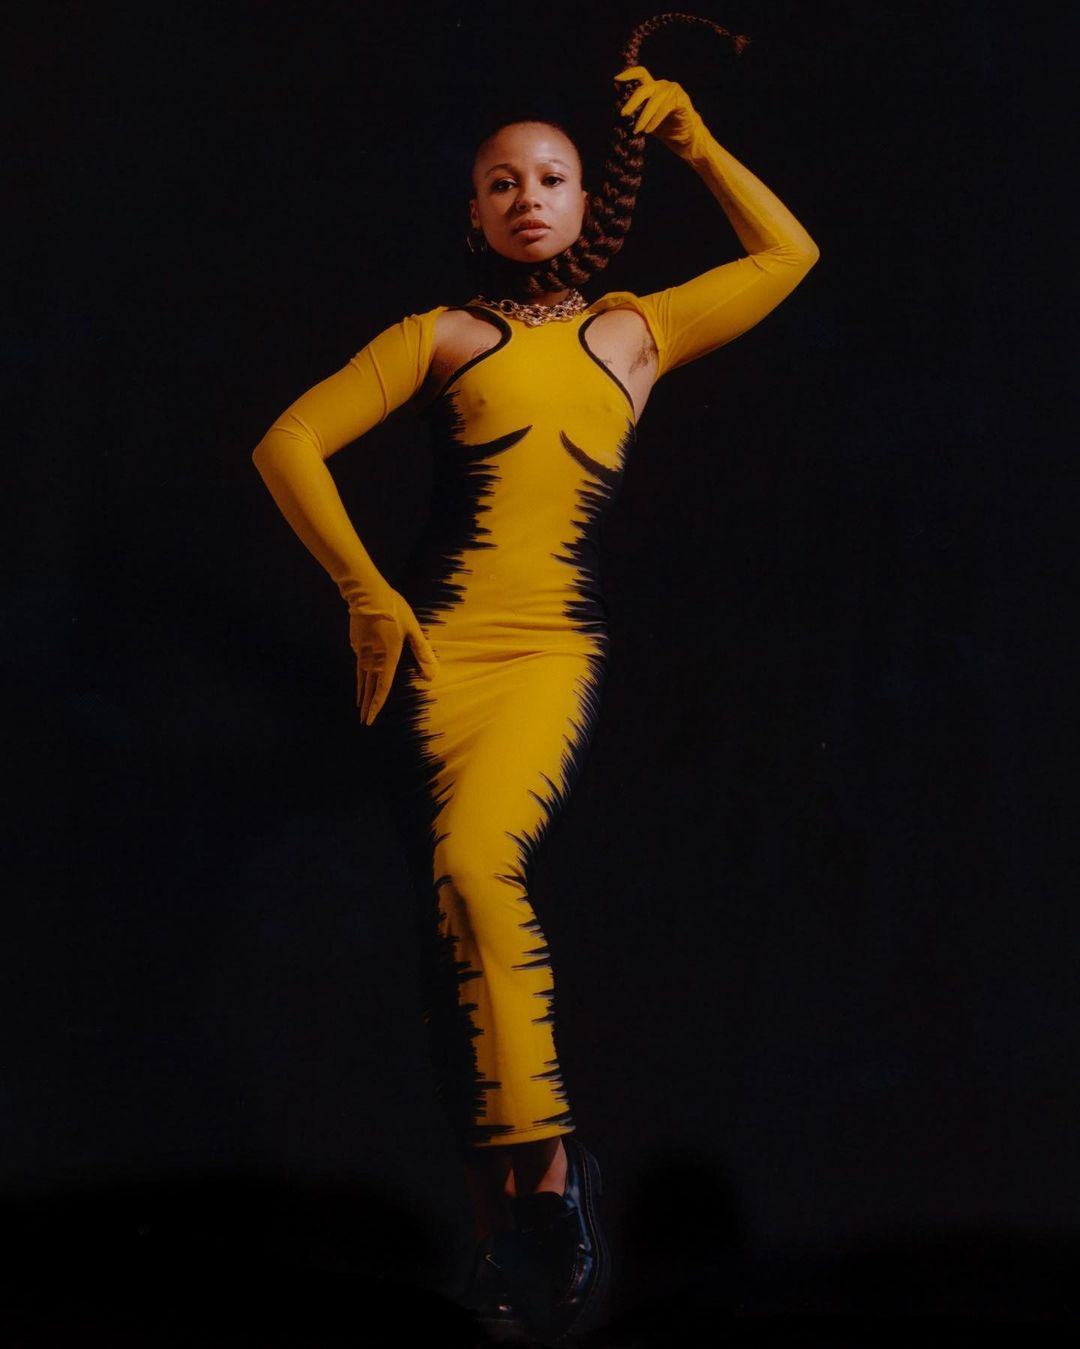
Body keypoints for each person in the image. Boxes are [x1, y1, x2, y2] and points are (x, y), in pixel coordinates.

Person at [251, 13, 819, 1341]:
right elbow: (288, 443)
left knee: (476, 870)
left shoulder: (636, 333)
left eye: (550, 176)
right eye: (500, 181)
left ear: (583, 199)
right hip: (430, 657)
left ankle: (551, 1185)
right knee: (451, 939)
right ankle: (505, 1238)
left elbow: (789, 255)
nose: (526, 197)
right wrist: (370, 593)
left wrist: (697, 141)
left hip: (547, 652)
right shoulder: (443, 335)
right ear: (474, 210)